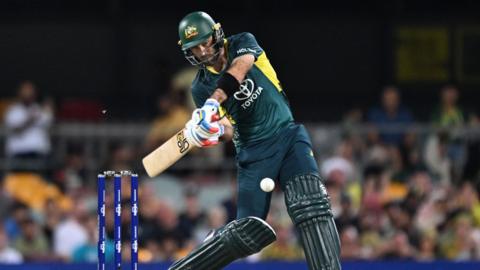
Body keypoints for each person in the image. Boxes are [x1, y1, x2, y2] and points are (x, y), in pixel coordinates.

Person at [168, 11, 341, 270]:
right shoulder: (199, 87)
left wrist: (213, 102)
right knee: (247, 234)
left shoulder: (241, 43)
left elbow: (239, 69)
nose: (203, 51)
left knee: (311, 207)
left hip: (287, 136)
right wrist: (211, 132)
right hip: (253, 153)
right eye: (195, 48)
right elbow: (229, 126)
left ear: (217, 35)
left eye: (206, 42)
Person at [4, 81, 54, 173]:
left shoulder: (40, 109)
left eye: (30, 93)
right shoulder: (13, 110)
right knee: (17, 182)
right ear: (20, 94)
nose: (27, 96)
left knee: (37, 182)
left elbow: (48, 121)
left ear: (34, 95)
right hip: (18, 152)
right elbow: (15, 129)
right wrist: (30, 120)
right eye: (25, 93)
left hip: (38, 151)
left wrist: (48, 107)